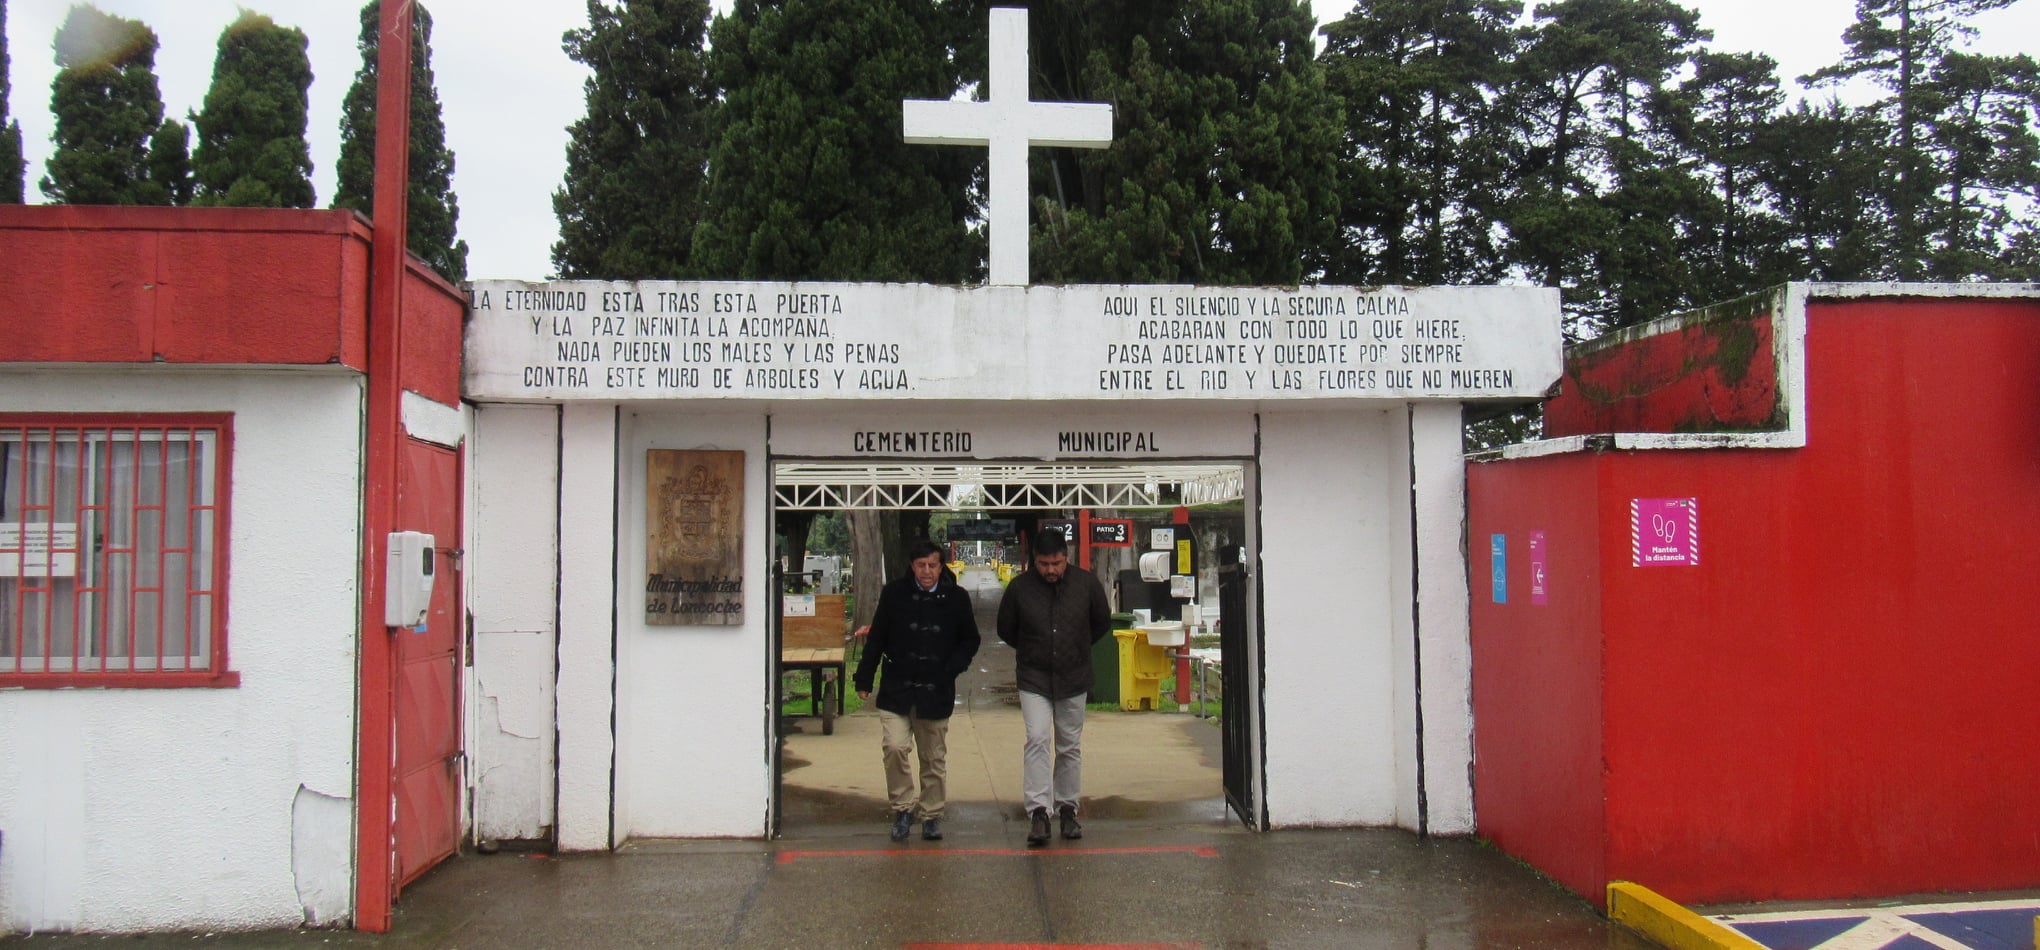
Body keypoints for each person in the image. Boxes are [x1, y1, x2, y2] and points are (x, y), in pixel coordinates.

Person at [853, 540, 981, 842]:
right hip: (897, 688)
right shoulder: (894, 594)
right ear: (912, 566)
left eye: (932, 565)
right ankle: (902, 808)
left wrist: (952, 667)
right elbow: (878, 637)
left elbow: (970, 640)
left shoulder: (957, 598)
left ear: (941, 566)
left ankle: (932, 814)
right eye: (921, 565)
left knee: (933, 757)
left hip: (936, 691)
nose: (927, 571)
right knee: (895, 748)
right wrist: (864, 677)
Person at [996, 527, 1112, 846]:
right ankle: (1038, 812)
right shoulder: (1019, 589)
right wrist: (1033, 648)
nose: (1051, 570)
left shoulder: (1086, 584)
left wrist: (1076, 646)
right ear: (1035, 561)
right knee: (1037, 738)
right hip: (1034, 677)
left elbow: (1101, 621)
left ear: (1066, 558)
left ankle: (1068, 809)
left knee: (1069, 745)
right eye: (1044, 564)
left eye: (1057, 563)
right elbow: (1006, 628)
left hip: (1074, 676)